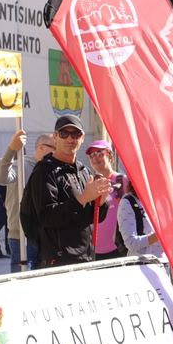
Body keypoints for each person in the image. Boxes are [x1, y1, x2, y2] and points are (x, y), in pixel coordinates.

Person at [21, 115, 111, 268]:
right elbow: (47, 217)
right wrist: (82, 199)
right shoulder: (44, 170)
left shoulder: (83, 170)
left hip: (86, 258)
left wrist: (101, 203)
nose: (70, 139)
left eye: (75, 134)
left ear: (82, 138)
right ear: (55, 137)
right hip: (58, 262)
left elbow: (91, 217)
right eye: (64, 134)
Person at [0, 130, 51, 271]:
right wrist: (11, 149)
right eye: (55, 148)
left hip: (45, 237)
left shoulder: (50, 169)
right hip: (21, 237)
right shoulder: (21, 165)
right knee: (21, 286)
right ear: (42, 147)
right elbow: (0, 178)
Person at [86, 140, 127, 260]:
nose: (95, 158)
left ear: (110, 155)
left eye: (99, 153)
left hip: (118, 248)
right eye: (92, 155)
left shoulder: (122, 181)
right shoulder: (89, 183)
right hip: (93, 249)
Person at [116, 179, 164, 258]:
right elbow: (131, 243)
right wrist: (160, 236)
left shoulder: (160, 199)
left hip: (164, 264)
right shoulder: (127, 202)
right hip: (142, 264)